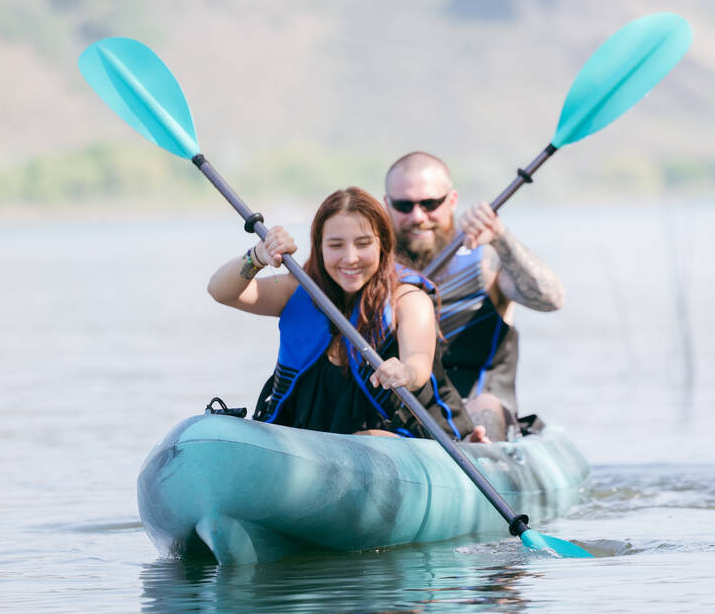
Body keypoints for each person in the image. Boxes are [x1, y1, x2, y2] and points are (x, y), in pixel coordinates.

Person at [207, 186, 486, 441]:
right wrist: (258, 255)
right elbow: (221, 291)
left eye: (363, 243)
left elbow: (419, 365)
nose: (350, 257)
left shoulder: (409, 299)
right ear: (319, 247)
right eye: (336, 245)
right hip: (311, 445)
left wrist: (404, 371)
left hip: (403, 438)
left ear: (383, 244)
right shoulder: (297, 291)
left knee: (371, 439)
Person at [384, 152, 565, 441]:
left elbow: (551, 299)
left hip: (484, 415)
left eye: (430, 204)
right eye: (404, 206)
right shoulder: (376, 270)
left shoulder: (485, 259)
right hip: (410, 418)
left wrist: (500, 237)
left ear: (452, 200)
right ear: (387, 205)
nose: (418, 217)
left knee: (484, 407)